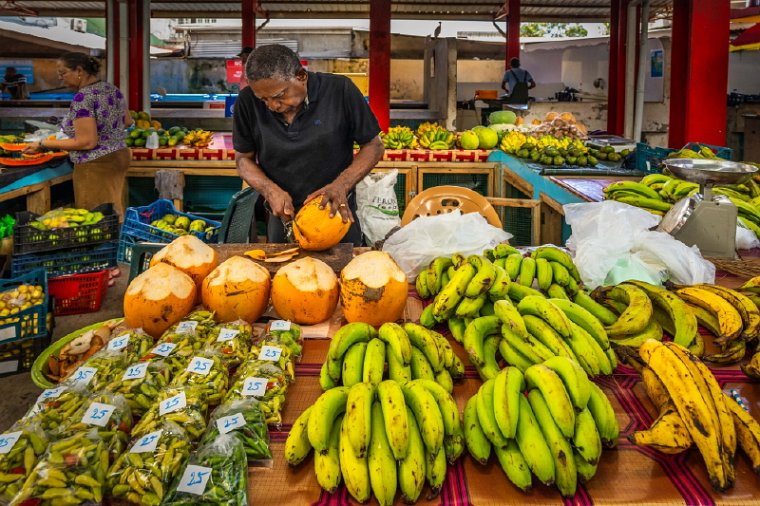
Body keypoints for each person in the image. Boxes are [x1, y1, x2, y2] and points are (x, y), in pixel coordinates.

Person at [233, 44, 384, 245]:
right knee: (285, 273)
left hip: (334, 211)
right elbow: (243, 159)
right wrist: (270, 190)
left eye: (279, 96)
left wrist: (341, 185)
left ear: (301, 76)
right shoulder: (246, 102)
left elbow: (374, 146)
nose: (272, 106)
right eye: (264, 99)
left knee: (344, 273)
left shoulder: (340, 90)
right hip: (283, 216)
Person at [23, 52, 133, 218]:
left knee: (95, 219)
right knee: (114, 212)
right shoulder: (110, 89)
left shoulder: (83, 98)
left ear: (79, 71)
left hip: (96, 164)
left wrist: (43, 144)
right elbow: (127, 121)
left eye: (63, 73)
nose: (61, 78)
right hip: (119, 156)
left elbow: (87, 142)